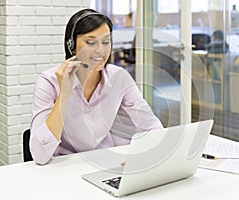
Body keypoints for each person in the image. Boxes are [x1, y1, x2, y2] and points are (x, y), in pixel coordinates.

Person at [30, 8, 163, 165]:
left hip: (106, 163)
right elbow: (39, 156)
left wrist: (154, 153)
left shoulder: (119, 78)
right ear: (71, 45)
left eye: (106, 42)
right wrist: (64, 94)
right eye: (90, 42)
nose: (100, 50)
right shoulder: (48, 82)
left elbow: (151, 125)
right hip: (63, 167)